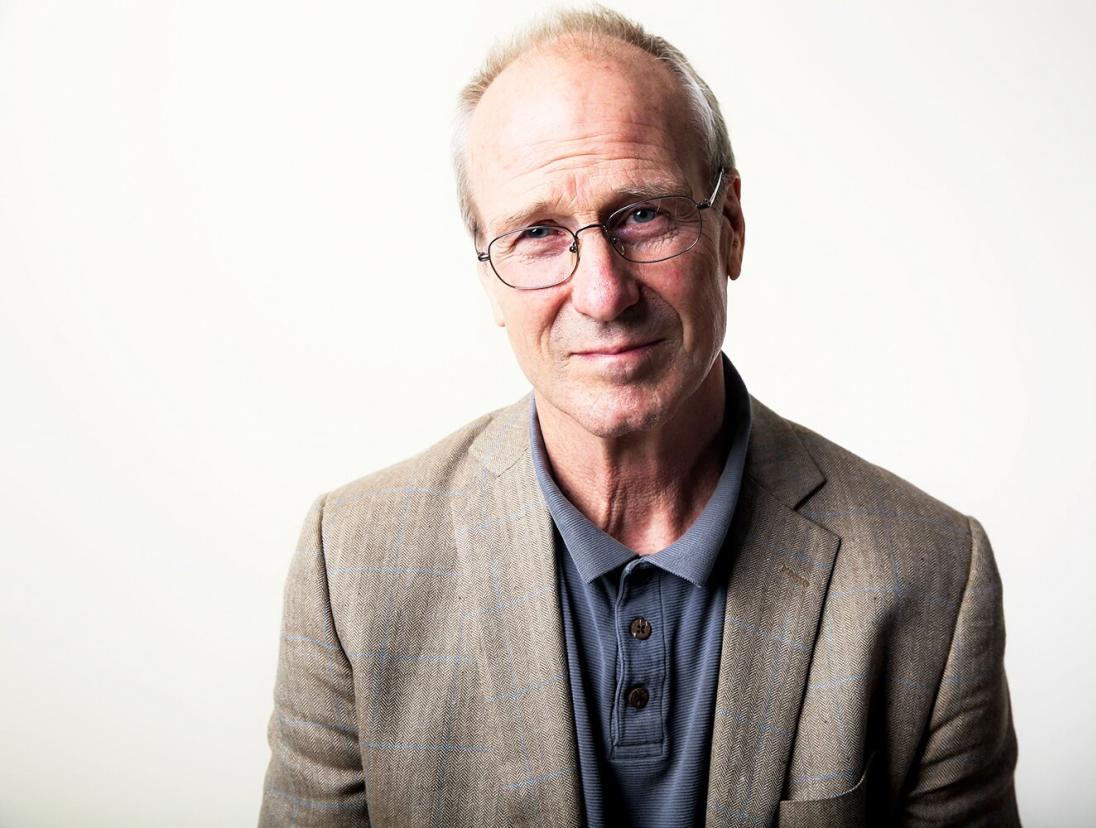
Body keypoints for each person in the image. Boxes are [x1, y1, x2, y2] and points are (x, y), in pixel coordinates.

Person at [259, 7, 1020, 827]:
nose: (602, 293)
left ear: (729, 226)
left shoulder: (932, 575)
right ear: (486, 275)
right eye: (539, 233)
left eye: (642, 215)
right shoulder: (354, 563)